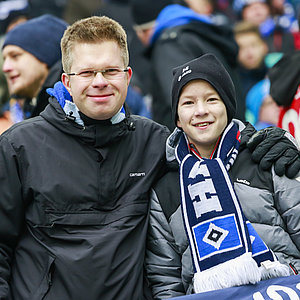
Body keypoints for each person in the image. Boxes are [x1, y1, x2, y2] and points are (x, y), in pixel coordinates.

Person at [0, 15, 299, 300]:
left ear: (128, 76)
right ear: (67, 81)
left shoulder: (154, 142)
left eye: (111, 71)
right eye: (87, 72)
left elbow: (211, 148)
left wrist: (264, 141)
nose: (100, 81)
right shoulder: (19, 146)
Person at [145, 54, 300, 298]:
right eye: (188, 103)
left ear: (227, 106)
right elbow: (165, 280)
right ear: (177, 118)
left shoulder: (268, 157)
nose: (201, 111)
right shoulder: (165, 189)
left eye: (211, 99)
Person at [130, 0, 245, 131]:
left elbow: (182, 100)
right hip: (228, 133)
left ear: (143, 31)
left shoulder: (170, 44)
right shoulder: (198, 31)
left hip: (202, 142)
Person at [1, 14, 68, 133]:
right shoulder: (22, 109)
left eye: (15, 56)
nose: (6, 68)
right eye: (5, 59)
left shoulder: (69, 109)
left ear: (46, 57)